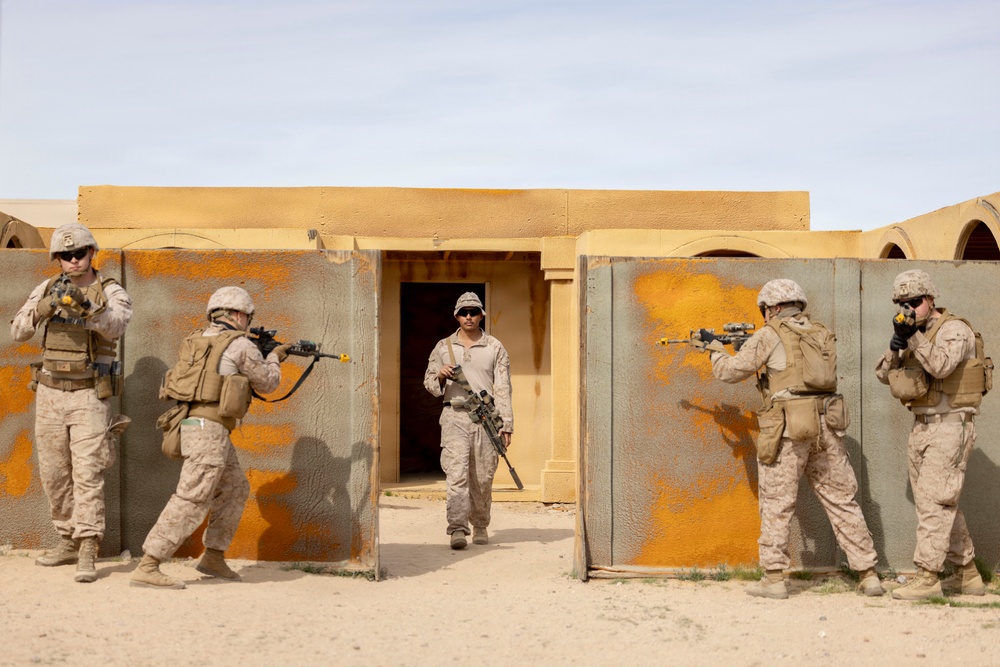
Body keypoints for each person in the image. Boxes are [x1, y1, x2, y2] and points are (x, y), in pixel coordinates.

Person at [704, 278, 883, 599]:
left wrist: (716, 351)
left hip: (788, 428)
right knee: (842, 500)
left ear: (772, 308)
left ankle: (773, 579)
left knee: (776, 503)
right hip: (827, 424)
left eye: (765, 311)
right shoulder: (820, 333)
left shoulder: (770, 333)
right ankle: (868, 574)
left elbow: (730, 372)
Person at [129, 286, 290, 589]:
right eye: (248, 317)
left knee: (234, 488)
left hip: (194, 424)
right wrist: (275, 358)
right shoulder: (240, 345)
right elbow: (268, 383)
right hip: (209, 429)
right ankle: (149, 563)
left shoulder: (196, 340)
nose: (249, 323)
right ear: (239, 314)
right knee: (193, 495)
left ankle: (213, 556)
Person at [10, 223, 133, 584]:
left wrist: (88, 309)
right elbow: (18, 332)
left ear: (93, 253)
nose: (73, 260)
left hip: (88, 395)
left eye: (79, 253)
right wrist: (44, 308)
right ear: (57, 259)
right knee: (54, 472)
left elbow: (117, 326)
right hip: (49, 393)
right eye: (65, 255)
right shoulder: (46, 287)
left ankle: (88, 547)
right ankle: (66, 539)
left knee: (88, 472)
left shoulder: (110, 290)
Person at [876, 269, 988, 600]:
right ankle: (967, 574)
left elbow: (940, 366)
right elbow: (883, 374)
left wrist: (912, 337)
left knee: (936, 502)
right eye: (902, 303)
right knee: (935, 502)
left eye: (914, 302)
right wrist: (896, 345)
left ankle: (928, 576)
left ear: (930, 299)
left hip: (951, 425)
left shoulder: (955, 330)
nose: (908, 308)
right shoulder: (914, 332)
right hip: (923, 427)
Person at [423, 292, 513, 549]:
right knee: (457, 474)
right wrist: (440, 375)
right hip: (454, 417)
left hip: (485, 419)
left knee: (483, 476)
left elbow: (503, 387)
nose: (469, 316)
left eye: (473, 311)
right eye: (464, 312)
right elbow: (429, 384)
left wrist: (506, 424)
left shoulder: (494, 347)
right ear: (456, 316)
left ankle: (481, 524)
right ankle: (457, 530)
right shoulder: (443, 347)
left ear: (482, 314)